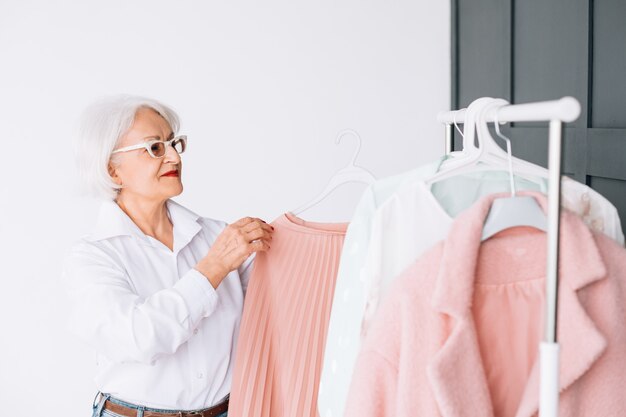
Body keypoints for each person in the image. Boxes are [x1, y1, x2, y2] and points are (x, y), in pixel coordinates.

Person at [62, 95, 274, 417]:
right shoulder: (92, 257)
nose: (174, 156)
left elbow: (274, 311)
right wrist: (213, 268)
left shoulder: (220, 237)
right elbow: (138, 337)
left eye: (174, 143)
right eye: (155, 148)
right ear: (113, 170)